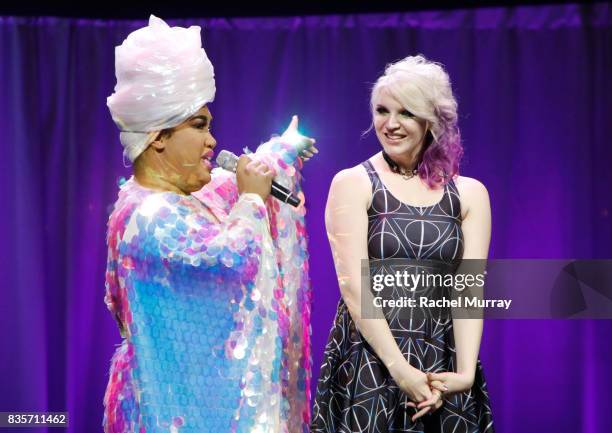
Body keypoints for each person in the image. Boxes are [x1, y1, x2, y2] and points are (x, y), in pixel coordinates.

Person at [103, 15, 315, 433]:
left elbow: (233, 182)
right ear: (158, 136)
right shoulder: (147, 218)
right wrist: (254, 197)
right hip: (179, 409)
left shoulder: (181, 197)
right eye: (199, 126)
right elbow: (234, 259)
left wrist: (281, 152)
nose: (212, 142)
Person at [311, 55, 494, 432]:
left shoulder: (469, 194)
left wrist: (463, 373)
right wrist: (400, 369)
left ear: (432, 121)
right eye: (382, 110)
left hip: (441, 359)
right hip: (372, 360)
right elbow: (354, 286)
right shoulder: (354, 182)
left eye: (406, 113)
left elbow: (469, 287)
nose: (390, 124)